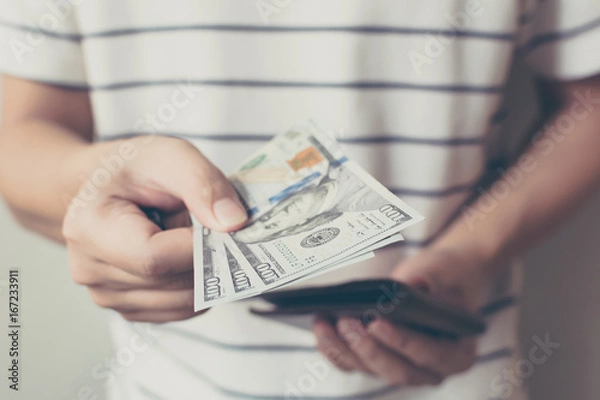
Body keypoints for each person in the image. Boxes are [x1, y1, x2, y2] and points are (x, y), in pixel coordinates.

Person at [0, 1, 599, 399]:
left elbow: (589, 103)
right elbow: (18, 135)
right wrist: (90, 188)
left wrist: (474, 253)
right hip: (168, 382)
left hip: (455, 372)